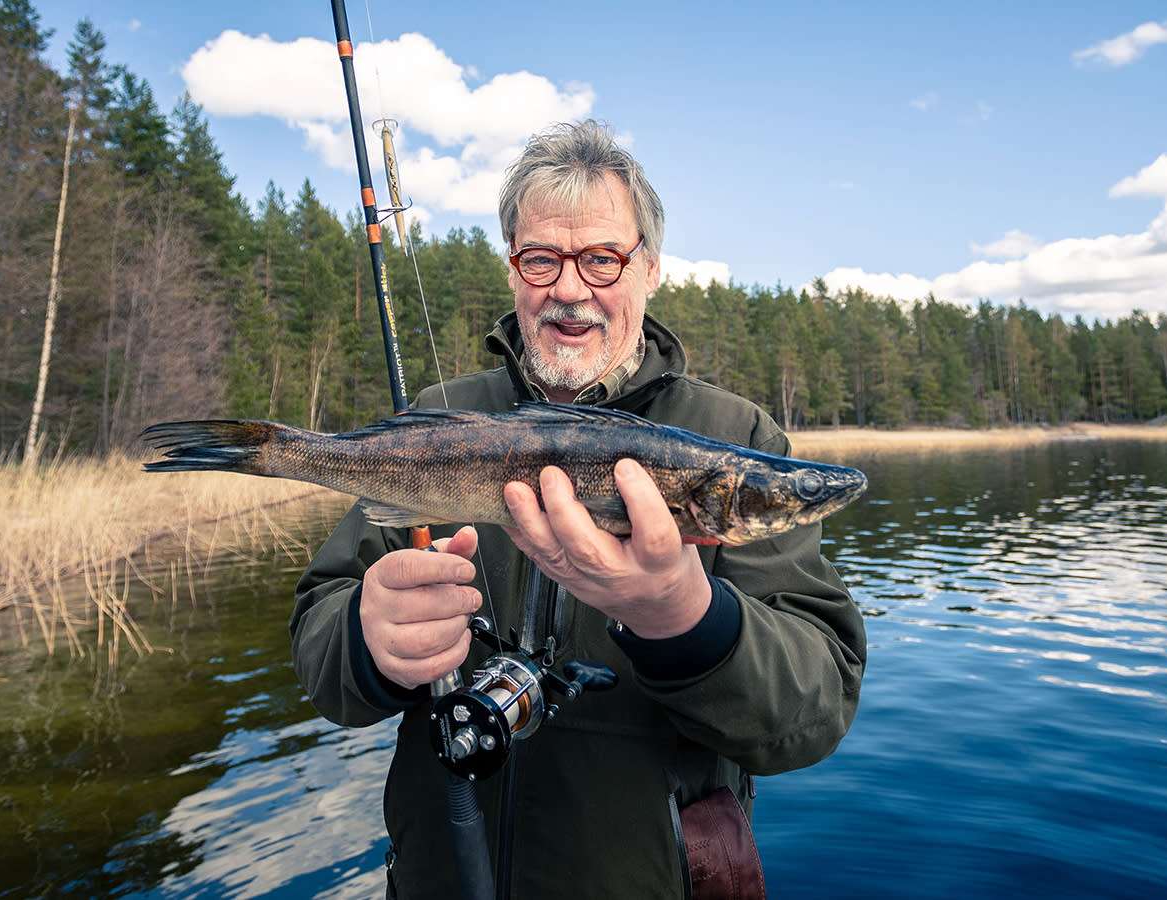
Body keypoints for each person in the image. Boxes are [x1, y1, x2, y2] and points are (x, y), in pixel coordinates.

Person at [290, 119, 866, 899]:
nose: (569, 288)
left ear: (650, 268)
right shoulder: (441, 419)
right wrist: (366, 641)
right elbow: (323, 650)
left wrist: (689, 620)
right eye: (541, 259)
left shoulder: (735, 436)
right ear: (513, 269)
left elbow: (815, 707)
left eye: (601, 258)